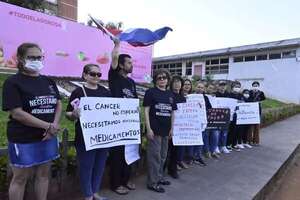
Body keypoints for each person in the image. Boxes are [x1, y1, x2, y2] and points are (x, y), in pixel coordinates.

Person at [2, 43, 62, 200]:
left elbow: (58, 103)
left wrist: (53, 126)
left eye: (39, 57)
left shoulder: (48, 81)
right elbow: (17, 113)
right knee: (20, 178)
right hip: (23, 138)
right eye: (31, 57)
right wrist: (48, 126)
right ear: (21, 59)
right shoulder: (12, 82)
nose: (36, 60)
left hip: (48, 137)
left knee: (43, 175)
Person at [66, 64, 110, 200]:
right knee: (86, 166)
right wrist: (73, 114)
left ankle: (95, 191)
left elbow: (113, 111)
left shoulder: (105, 91)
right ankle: (88, 195)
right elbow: (68, 113)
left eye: (99, 74)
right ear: (85, 75)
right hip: (85, 137)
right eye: (92, 74)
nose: (96, 76)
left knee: (99, 166)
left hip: (103, 136)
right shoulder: (78, 92)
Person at [108, 38, 137, 195]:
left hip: (129, 123)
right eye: (128, 63)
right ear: (120, 65)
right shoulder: (114, 77)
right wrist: (117, 45)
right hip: (117, 122)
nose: (131, 65)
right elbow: (113, 58)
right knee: (117, 155)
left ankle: (126, 180)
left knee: (129, 153)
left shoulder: (131, 82)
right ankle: (115, 184)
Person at [144, 69, 177, 193]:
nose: (162, 79)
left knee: (163, 156)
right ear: (155, 80)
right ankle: (152, 183)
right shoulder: (150, 92)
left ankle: (159, 177)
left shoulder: (170, 94)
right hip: (154, 130)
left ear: (168, 80)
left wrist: (172, 129)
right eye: (159, 78)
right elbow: (146, 111)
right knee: (154, 157)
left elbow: (173, 112)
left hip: (166, 130)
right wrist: (148, 128)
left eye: (164, 77)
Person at [167, 75, 186, 179]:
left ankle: (173, 168)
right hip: (170, 126)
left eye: (179, 82)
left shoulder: (183, 97)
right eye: (175, 82)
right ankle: (167, 169)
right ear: (171, 84)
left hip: (180, 128)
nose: (177, 84)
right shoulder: (169, 95)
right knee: (168, 150)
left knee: (176, 149)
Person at [204, 84, 220, 159]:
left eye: (212, 88)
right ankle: (207, 151)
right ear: (207, 88)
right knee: (206, 135)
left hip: (215, 119)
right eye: (210, 88)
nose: (211, 89)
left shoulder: (215, 97)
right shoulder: (204, 97)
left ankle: (213, 150)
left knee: (215, 135)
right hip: (206, 118)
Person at [215, 81, 231, 154]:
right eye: (221, 85)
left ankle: (223, 146)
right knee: (217, 132)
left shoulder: (228, 95)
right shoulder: (215, 94)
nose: (222, 87)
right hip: (217, 115)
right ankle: (217, 146)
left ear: (226, 86)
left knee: (224, 132)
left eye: (224, 85)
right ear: (218, 86)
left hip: (226, 116)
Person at [228, 81, 244, 151]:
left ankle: (234, 144)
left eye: (238, 87)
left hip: (239, 115)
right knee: (231, 130)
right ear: (232, 87)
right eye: (236, 87)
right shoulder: (229, 95)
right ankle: (228, 144)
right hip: (231, 115)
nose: (237, 88)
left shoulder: (241, 96)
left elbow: (245, 104)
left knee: (237, 130)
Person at [249, 81, 266, 145]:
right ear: (252, 86)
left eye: (256, 85)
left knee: (257, 127)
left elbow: (263, 100)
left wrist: (260, 102)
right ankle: (249, 140)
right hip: (250, 111)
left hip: (258, 111)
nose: (255, 87)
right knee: (250, 127)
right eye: (254, 85)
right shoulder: (249, 92)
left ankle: (256, 141)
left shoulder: (261, 93)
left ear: (258, 86)